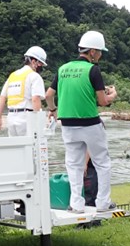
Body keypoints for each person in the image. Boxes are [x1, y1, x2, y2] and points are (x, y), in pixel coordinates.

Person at [45, 30, 117, 213]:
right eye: (100, 51)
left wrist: (53, 110)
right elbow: (102, 101)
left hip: (67, 124)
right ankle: (103, 203)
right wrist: (113, 95)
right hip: (90, 123)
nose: (100, 55)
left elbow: (48, 94)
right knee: (102, 162)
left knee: (73, 164)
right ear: (92, 51)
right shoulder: (93, 70)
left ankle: (76, 204)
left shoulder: (62, 69)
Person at [0, 46, 47, 137]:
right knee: (31, 148)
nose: (41, 67)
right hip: (27, 119)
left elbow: (2, 97)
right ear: (33, 61)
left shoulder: (13, 76)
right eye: (41, 64)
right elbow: (35, 99)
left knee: (15, 148)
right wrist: (38, 121)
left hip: (11, 119)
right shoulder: (34, 76)